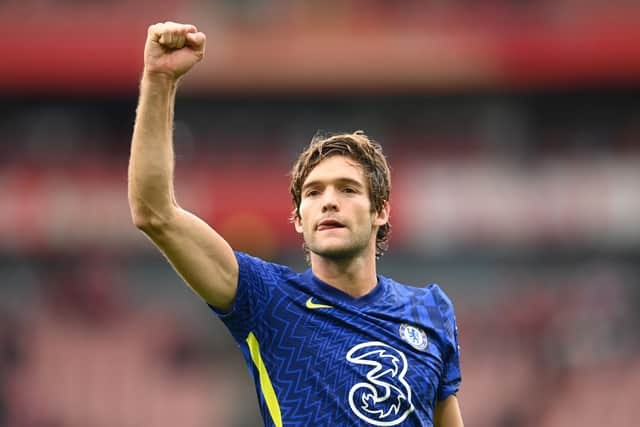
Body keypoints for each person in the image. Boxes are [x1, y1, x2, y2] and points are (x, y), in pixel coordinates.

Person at [128, 21, 464, 427]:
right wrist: (160, 78)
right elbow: (154, 212)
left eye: (347, 189)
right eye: (314, 193)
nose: (329, 202)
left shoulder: (430, 310)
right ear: (298, 220)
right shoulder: (267, 301)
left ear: (381, 212)